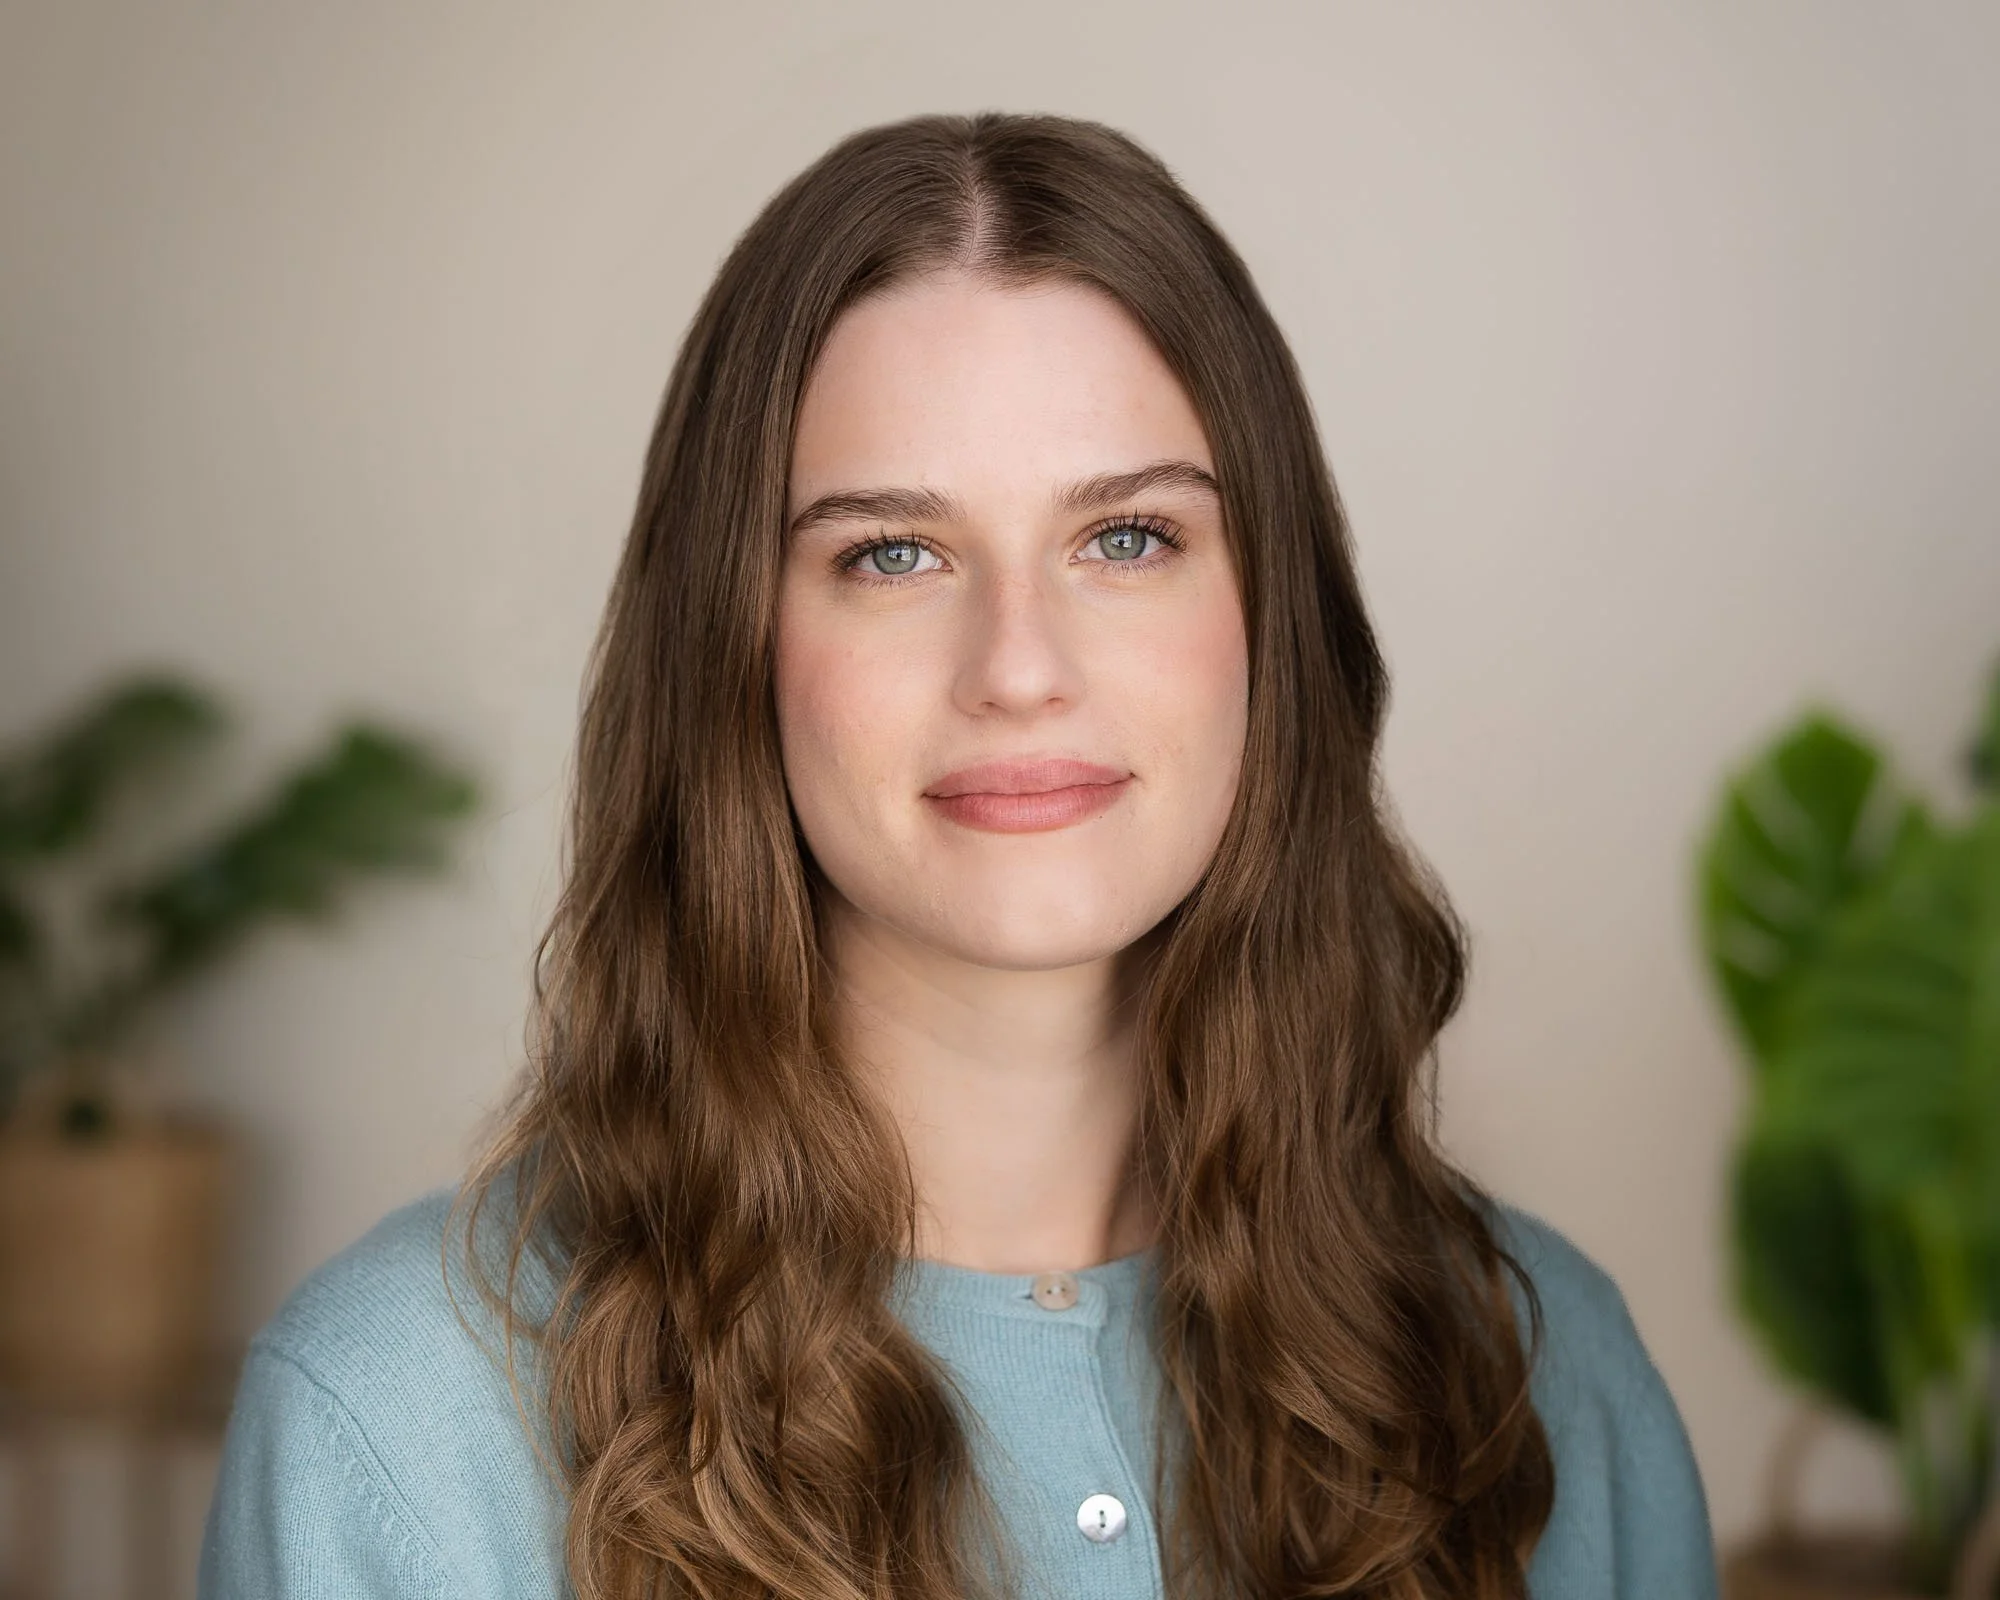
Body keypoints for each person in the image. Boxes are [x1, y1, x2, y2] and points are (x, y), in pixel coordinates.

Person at [197, 111, 1720, 1600]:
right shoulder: (399, 1419)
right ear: (736, 644)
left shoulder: (1542, 1372)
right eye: (893, 553)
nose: (1018, 666)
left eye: (1126, 537)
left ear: (1273, 624)